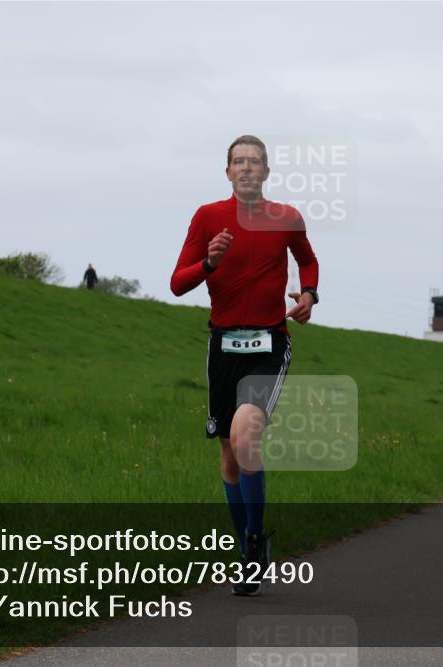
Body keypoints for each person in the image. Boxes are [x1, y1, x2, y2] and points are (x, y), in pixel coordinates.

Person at [170, 135, 320, 595]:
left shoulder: (286, 218)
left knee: (245, 431)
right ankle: (246, 547)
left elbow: (308, 262)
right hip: (222, 345)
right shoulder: (207, 217)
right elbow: (177, 283)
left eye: (255, 161)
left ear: (267, 172)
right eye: (239, 161)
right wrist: (209, 264)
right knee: (230, 454)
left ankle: (255, 542)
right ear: (228, 171)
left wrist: (309, 295)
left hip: (270, 341)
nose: (247, 168)